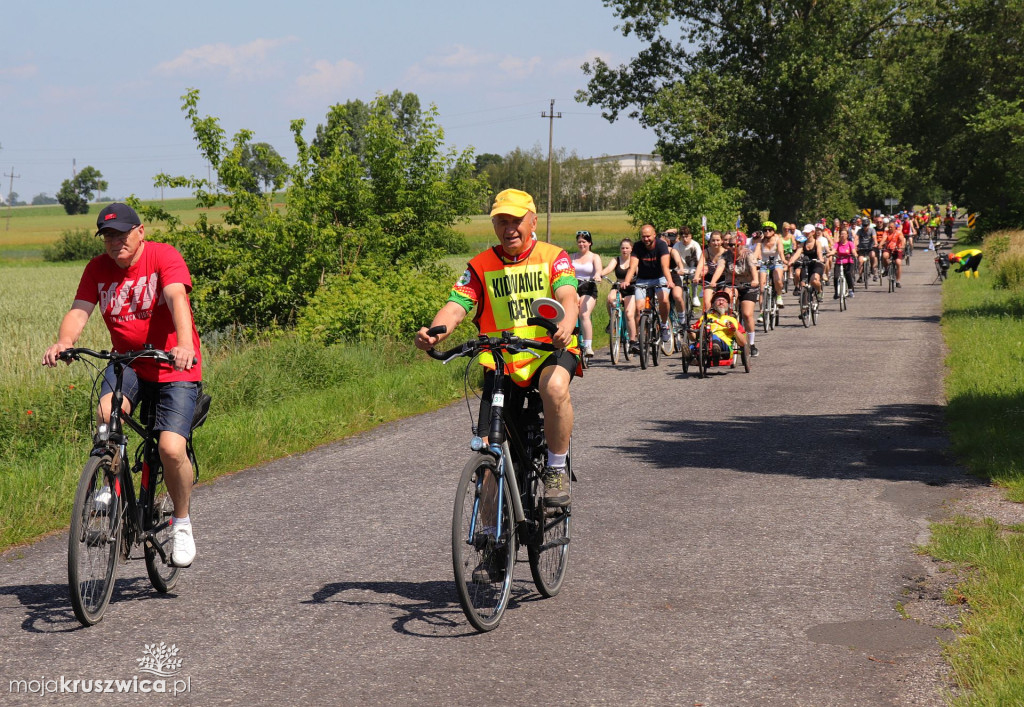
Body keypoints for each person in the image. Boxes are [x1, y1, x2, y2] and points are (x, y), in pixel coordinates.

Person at [42, 203, 202, 568]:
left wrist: (184, 344)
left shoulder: (163, 256)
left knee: (171, 448)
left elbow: (178, 297)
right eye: (108, 237)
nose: (115, 243)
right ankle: (110, 489)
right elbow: (80, 310)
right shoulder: (97, 269)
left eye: (122, 234)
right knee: (107, 411)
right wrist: (64, 341)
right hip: (128, 360)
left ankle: (181, 522)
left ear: (140, 231)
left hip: (171, 362)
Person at [415, 188, 578, 507]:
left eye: (516, 220)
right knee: (490, 451)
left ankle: (556, 470)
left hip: (547, 351)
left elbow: (568, 297)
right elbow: (456, 306)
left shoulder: (553, 257)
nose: (509, 228)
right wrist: (436, 333)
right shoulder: (480, 265)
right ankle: (491, 544)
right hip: (502, 361)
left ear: (532, 222)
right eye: (501, 221)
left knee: (556, 387)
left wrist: (567, 325)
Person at [621, 224, 674, 351]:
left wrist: (670, 281)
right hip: (643, 279)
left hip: (660, 277)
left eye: (648, 236)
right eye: (643, 236)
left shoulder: (661, 245)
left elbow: (665, 266)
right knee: (639, 308)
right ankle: (642, 338)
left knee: (664, 299)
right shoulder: (638, 246)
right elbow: (633, 267)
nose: (646, 239)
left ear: (654, 235)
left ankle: (664, 324)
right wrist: (627, 281)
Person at [689, 290, 747, 361]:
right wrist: (690, 332)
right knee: (692, 346)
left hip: (725, 347)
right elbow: (693, 338)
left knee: (713, 336)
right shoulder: (705, 318)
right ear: (713, 304)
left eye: (724, 300)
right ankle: (690, 355)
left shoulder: (732, 320)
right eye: (718, 300)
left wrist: (734, 330)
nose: (721, 302)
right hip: (704, 344)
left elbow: (743, 342)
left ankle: (715, 349)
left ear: (728, 304)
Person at [571, 230, 602, 358]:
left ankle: (588, 346)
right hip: (573, 287)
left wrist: (597, 275)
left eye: (584, 241)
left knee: (584, 313)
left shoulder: (594, 257)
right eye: (579, 242)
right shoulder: (571, 257)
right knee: (570, 311)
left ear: (590, 243)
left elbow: (598, 270)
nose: (581, 244)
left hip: (588, 287)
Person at [600, 238, 637, 343]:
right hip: (618, 286)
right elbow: (608, 269)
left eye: (627, 248)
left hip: (631, 288)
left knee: (629, 314)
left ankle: (633, 340)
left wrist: (631, 281)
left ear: (631, 249)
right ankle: (612, 320)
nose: (624, 250)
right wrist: (600, 274)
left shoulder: (634, 260)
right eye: (622, 248)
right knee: (610, 299)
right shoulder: (616, 260)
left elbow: (638, 272)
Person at [880, 219, 906, 287]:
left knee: (898, 263)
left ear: (895, 227)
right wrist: (880, 245)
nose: (890, 228)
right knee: (884, 256)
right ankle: (886, 269)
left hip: (897, 249)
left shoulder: (898, 232)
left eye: (891, 227)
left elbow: (902, 239)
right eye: (889, 227)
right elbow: (884, 239)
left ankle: (898, 281)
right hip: (888, 248)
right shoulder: (886, 232)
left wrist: (902, 246)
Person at [832, 227, 857, 299]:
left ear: (847, 235)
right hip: (839, 261)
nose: (842, 235)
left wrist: (855, 254)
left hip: (848, 261)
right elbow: (834, 250)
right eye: (841, 234)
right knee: (836, 277)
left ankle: (850, 290)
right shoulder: (837, 244)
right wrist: (830, 253)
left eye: (844, 234)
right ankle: (836, 292)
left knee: (848, 273)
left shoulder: (850, 243)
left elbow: (853, 250)